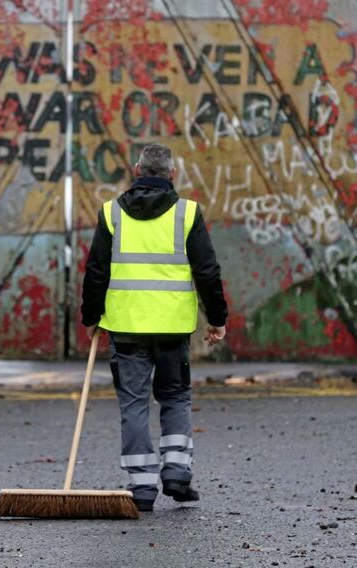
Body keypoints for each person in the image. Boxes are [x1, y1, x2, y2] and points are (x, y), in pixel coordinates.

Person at [81, 143, 228, 512]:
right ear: (172, 174)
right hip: (171, 328)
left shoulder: (112, 213)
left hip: (126, 328)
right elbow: (207, 270)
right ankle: (177, 472)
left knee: (133, 405)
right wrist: (217, 319)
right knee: (175, 397)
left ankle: (142, 489)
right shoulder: (187, 213)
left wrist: (90, 317)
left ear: (136, 170)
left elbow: (96, 271)